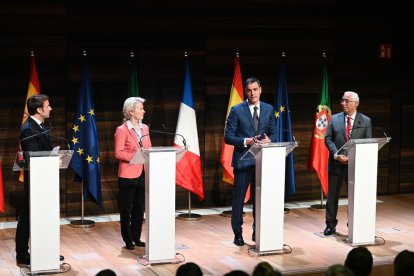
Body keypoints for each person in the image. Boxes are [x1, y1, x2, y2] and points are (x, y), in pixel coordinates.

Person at [224, 77, 278, 246]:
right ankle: (238, 234)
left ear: (260, 90)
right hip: (243, 161)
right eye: (249, 90)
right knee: (239, 199)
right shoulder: (236, 110)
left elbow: (274, 133)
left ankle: (258, 231)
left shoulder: (269, 109)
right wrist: (246, 141)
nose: (252, 93)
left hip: (263, 162)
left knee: (260, 199)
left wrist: (270, 141)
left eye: (255, 89)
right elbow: (228, 137)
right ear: (246, 92)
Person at [16, 94, 64, 265]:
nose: (50, 108)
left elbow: (45, 152)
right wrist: (52, 160)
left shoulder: (41, 126)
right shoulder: (28, 129)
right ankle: (22, 254)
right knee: (28, 216)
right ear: (39, 109)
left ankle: (45, 251)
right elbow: (34, 158)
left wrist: (54, 157)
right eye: (48, 105)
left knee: (43, 215)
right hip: (36, 181)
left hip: (45, 180)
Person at [324, 91, 372, 236]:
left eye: (347, 101)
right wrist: (336, 155)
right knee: (332, 196)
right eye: (342, 100)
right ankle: (330, 225)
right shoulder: (334, 119)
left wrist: (357, 157)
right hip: (336, 164)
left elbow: (367, 143)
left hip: (355, 166)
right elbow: (328, 139)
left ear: (355, 104)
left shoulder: (365, 121)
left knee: (355, 196)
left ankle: (353, 223)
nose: (343, 103)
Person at [114, 97, 151, 250]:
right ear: (131, 112)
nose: (143, 111)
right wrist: (136, 156)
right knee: (126, 208)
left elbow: (148, 148)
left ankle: (136, 237)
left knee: (139, 208)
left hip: (143, 172)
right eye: (140, 108)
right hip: (128, 174)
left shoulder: (145, 128)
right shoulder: (121, 130)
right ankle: (128, 239)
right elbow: (118, 153)